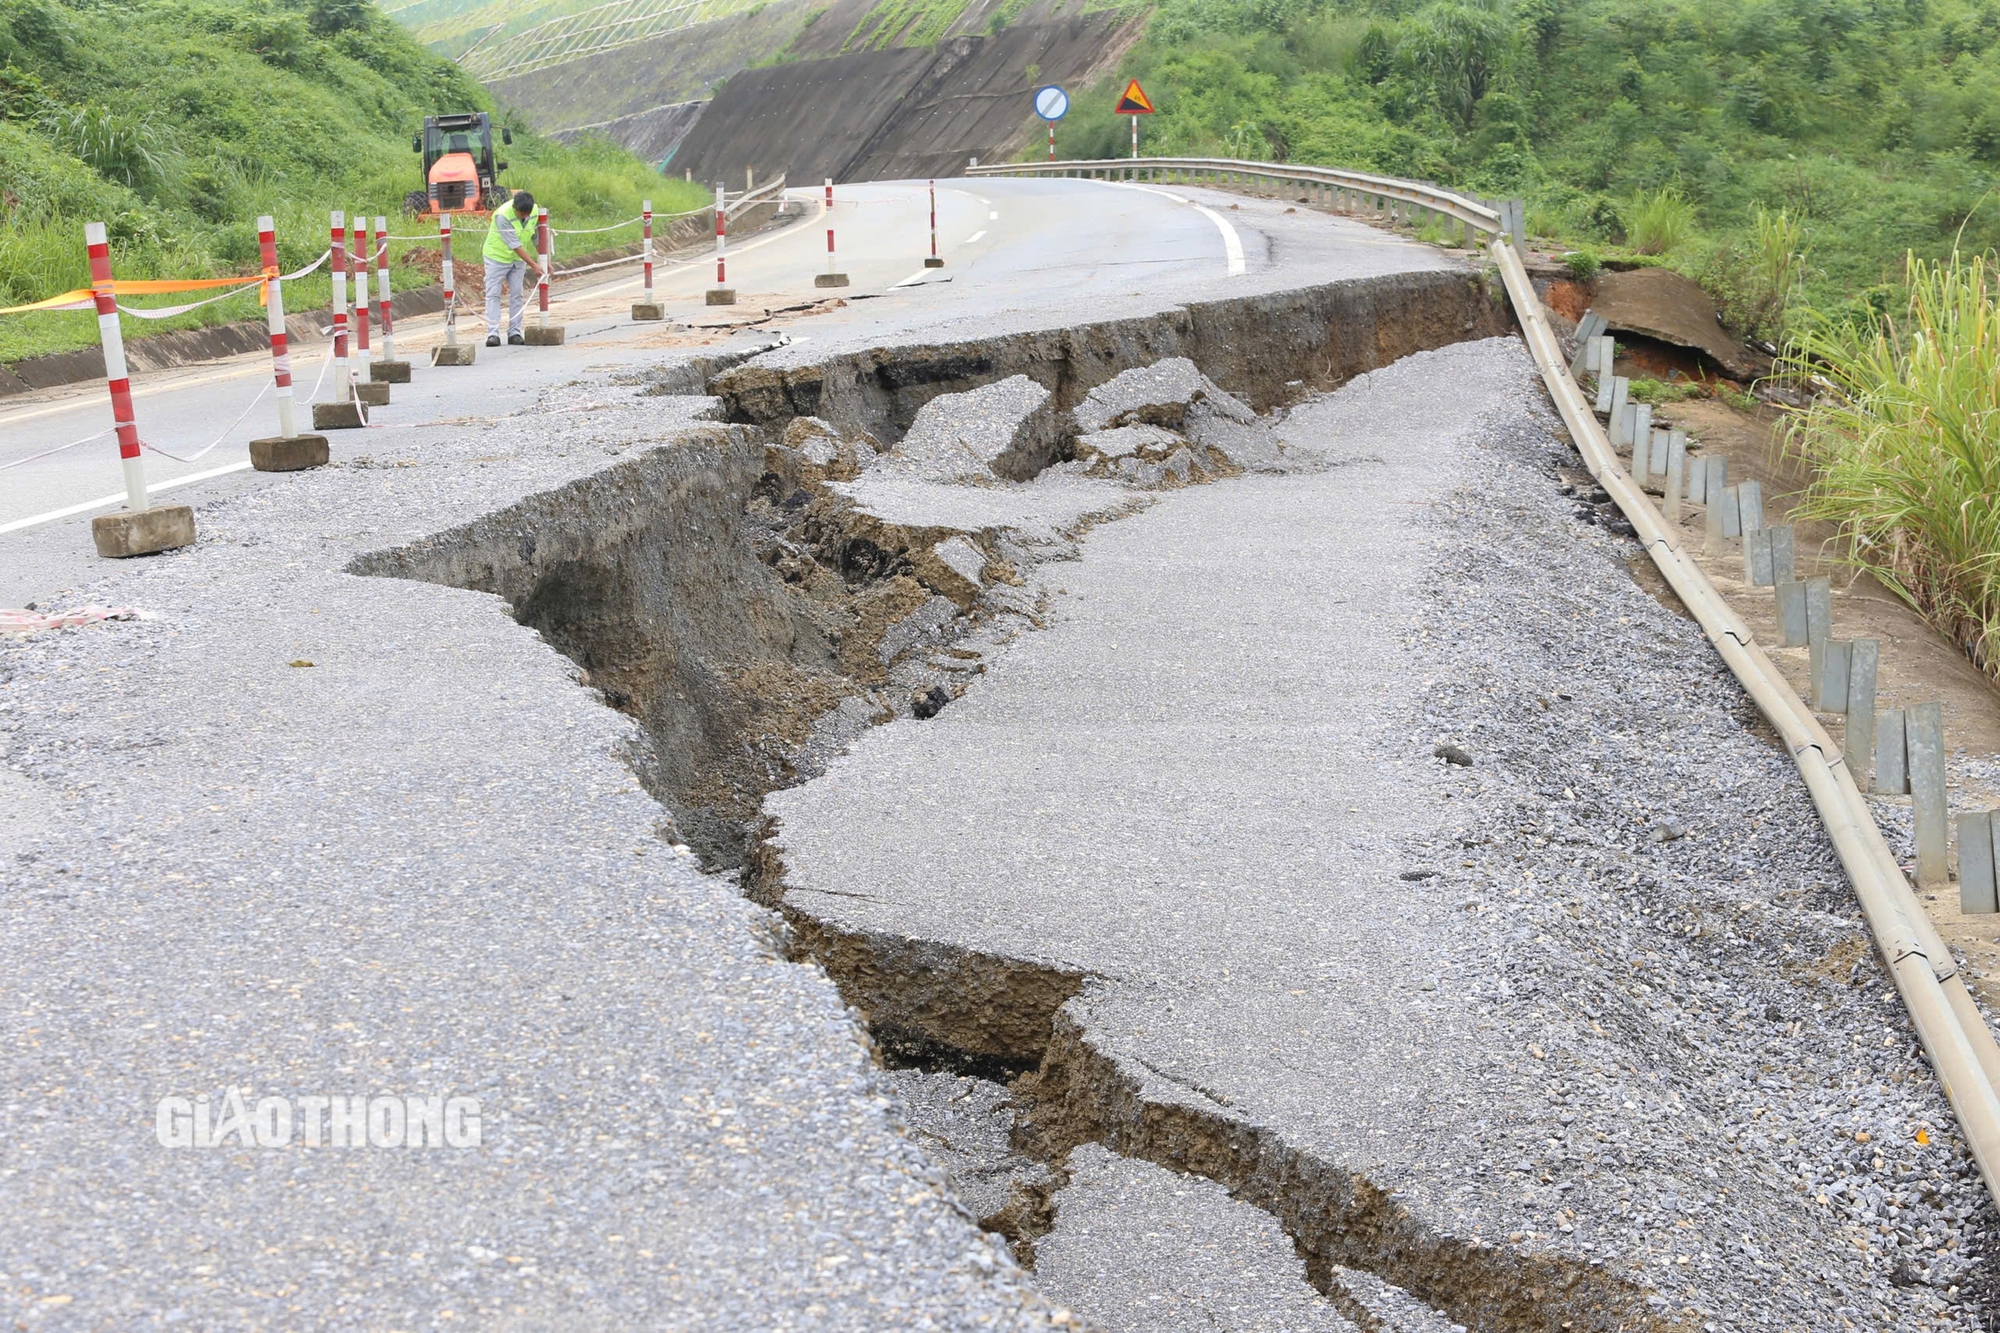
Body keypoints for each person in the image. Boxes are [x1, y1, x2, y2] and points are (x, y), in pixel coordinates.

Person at [483, 189, 545, 346]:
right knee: (493, 295)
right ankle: (493, 334)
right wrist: (533, 265)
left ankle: (514, 333)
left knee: (517, 294)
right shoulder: (503, 215)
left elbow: (536, 237)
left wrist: (545, 260)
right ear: (515, 207)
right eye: (520, 213)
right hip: (497, 257)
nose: (523, 217)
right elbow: (514, 244)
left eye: (525, 214)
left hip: (518, 260)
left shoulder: (535, 211)